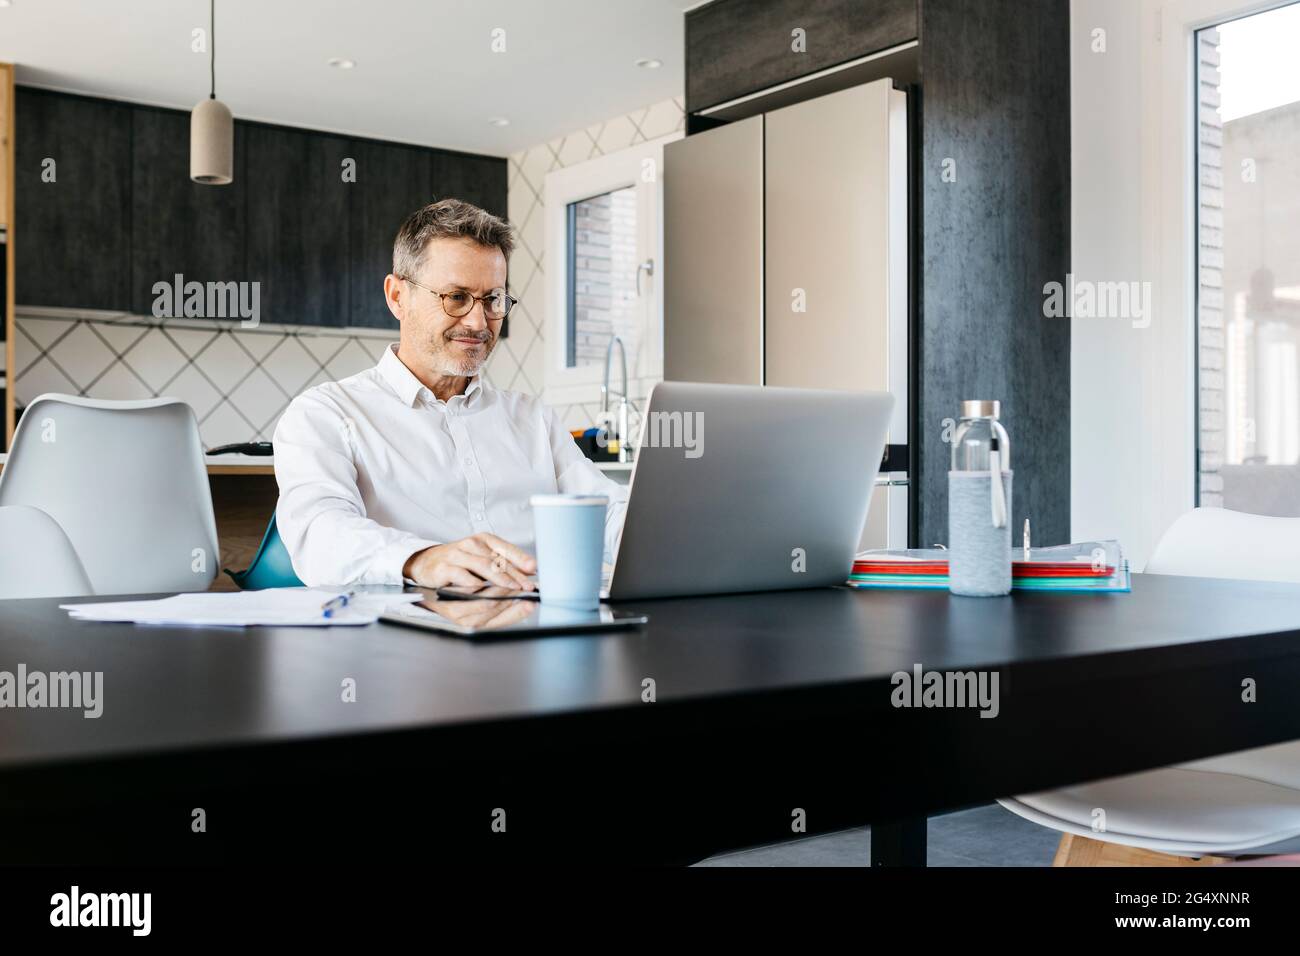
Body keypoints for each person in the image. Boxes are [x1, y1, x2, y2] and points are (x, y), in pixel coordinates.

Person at [273, 198, 628, 588]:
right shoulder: (326, 414)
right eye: (456, 297)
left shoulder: (531, 417)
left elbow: (605, 508)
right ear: (397, 297)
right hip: (408, 632)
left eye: (493, 299)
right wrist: (421, 559)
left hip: (536, 625)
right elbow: (320, 534)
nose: (478, 322)